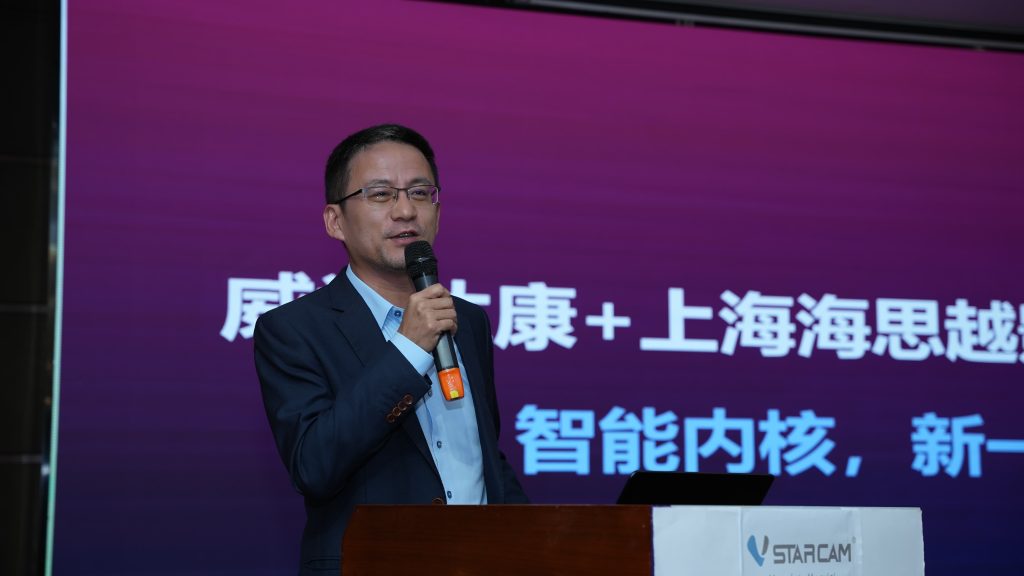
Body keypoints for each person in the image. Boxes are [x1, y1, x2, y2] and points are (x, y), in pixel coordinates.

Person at [254, 124, 528, 575]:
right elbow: (314, 466)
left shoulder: (468, 320)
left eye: (420, 193)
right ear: (335, 221)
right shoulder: (293, 329)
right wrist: (408, 349)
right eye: (380, 195)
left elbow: (481, 456)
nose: (405, 210)